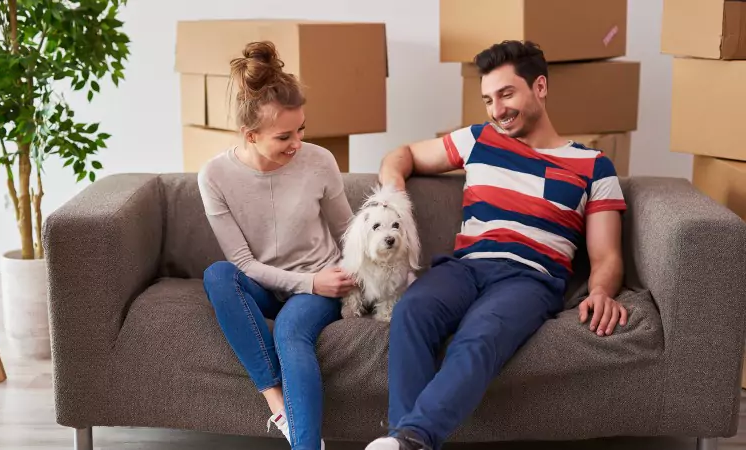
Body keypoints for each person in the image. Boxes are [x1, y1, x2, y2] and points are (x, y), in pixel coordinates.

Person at [365, 40, 630, 450]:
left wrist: (599, 292)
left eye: (506, 94)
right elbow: (402, 155)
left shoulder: (594, 166)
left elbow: (607, 255)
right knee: (412, 310)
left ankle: (410, 438)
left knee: (482, 333)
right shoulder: (479, 139)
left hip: (530, 279)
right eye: (488, 99)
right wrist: (392, 191)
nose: (496, 110)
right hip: (465, 267)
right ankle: (405, 443)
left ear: (539, 87)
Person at [198, 41, 355, 450]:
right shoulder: (214, 176)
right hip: (269, 283)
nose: (298, 142)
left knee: (290, 330)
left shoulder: (320, 161)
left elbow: (348, 233)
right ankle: (279, 405)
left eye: (301, 128)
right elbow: (242, 262)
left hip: (321, 280)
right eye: (284, 135)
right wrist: (306, 284)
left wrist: (337, 281)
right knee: (218, 275)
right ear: (250, 135)